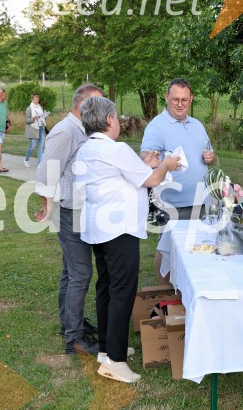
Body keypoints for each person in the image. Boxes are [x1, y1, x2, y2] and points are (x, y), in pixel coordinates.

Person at [76, 96, 180, 383]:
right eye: (116, 117)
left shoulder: (87, 148)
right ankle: (115, 361)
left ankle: (108, 348)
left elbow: (123, 174)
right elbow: (152, 180)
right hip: (118, 229)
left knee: (107, 287)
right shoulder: (116, 149)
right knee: (122, 291)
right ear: (109, 120)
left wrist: (145, 163)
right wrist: (167, 164)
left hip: (98, 229)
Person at [35, 84, 105, 355]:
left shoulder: (82, 129)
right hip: (70, 212)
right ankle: (74, 338)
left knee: (70, 272)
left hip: (81, 211)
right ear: (84, 105)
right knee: (80, 274)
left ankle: (70, 323)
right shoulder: (66, 131)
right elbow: (45, 173)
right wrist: (49, 206)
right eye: (100, 105)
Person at [140, 78, 216, 278]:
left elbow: (209, 153)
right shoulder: (157, 126)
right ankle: (164, 290)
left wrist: (211, 157)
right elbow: (146, 155)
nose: (180, 104)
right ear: (167, 97)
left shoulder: (197, 125)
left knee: (199, 247)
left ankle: (190, 284)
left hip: (201, 199)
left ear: (191, 99)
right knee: (169, 248)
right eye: (175, 99)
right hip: (174, 202)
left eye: (184, 99)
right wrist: (153, 158)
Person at [24, 94, 49, 167]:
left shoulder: (40, 107)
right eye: (35, 99)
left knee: (41, 146)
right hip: (33, 129)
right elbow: (27, 120)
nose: (36, 101)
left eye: (37, 99)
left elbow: (42, 118)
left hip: (41, 128)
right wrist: (33, 118)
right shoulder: (29, 108)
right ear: (32, 100)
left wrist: (45, 116)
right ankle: (26, 159)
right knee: (32, 146)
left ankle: (40, 163)